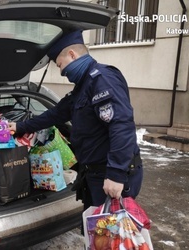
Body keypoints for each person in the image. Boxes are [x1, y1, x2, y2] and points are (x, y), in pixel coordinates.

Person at [8, 30, 143, 211]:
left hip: (110, 176)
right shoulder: (82, 87)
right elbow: (55, 114)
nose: (62, 72)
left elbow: (121, 126)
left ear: (72, 55)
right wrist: (19, 126)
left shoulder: (102, 80)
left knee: (113, 235)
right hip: (94, 174)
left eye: (60, 64)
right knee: (96, 233)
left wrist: (116, 174)